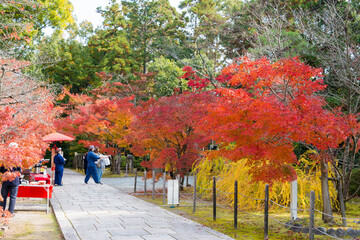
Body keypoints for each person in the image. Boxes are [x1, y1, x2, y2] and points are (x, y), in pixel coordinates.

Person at [0, 142, 21, 216]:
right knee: (13, 197)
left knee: (3, 196)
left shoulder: (4, 157)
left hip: (5, 179)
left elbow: (1, 169)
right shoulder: (18, 158)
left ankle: (2, 212)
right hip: (14, 180)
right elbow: (19, 170)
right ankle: (10, 213)